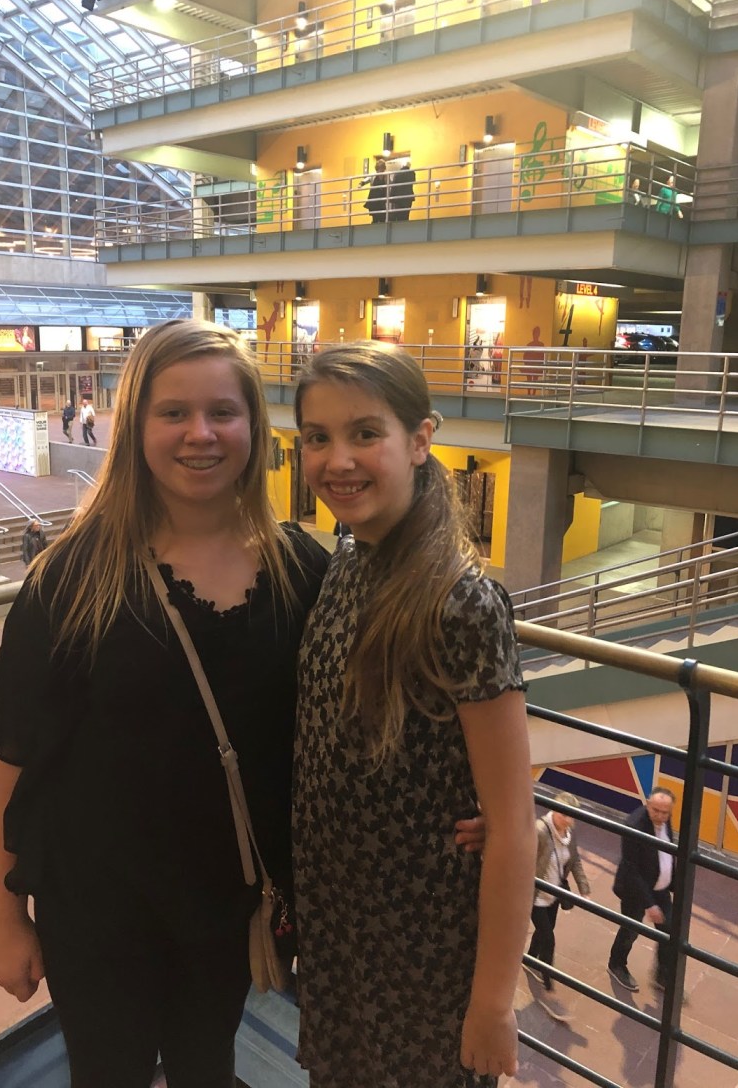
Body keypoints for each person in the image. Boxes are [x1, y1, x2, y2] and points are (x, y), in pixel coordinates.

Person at [0, 321, 332, 1088]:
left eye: (223, 411)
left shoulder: (302, 572)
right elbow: (18, 763)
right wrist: (4, 917)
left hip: (229, 907)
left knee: (207, 1065)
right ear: (136, 426)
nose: (201, 433)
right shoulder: (73, 578)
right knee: (107, 1073)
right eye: (174, 413)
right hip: (95, 913)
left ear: (253, 426)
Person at [292, 343, 537, 1088]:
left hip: (424, 958)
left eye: (366, 433)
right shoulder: (347, 560)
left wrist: (492, 1002)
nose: (339, 460)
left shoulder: (462, 603)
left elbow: (512, 824)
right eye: (317, 437)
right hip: (343, 939)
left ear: (420, 440)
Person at [608, 787, 676, 993]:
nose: (661, 816)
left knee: (669, 931)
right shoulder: (634, 826)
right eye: (656, 811)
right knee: (631, 930)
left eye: (665, 813)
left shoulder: (664, 819)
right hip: (635, 890)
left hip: (659, 887)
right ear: (648, 804)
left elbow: (667, 851)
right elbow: (631, 869)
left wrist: (673, 882)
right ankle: (616, 964)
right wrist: (650, 904)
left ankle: (662, 975)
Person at [525, 791, 591, 991]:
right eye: (564, 815)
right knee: (549, 939)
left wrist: (584, 889)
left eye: (571, 816)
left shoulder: (569, 834)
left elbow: (575, 860)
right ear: (554, 810)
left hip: (553, 895)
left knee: (546, 929)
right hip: (536, 895)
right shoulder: (540, 831)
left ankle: (530, 958)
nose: (568, 820)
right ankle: (547, 979)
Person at [362, 158, 390, 224]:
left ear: (383, 168)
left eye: (381, 169)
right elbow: (365, 180)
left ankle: (380, 227)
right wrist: (361, 184)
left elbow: (390, 185)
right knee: (375, 217)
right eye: (379, 169)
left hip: (382, 200)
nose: (380, 171)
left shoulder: (386, 176)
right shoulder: (373, 175)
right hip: (374, 199)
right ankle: (375, 227)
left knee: (382, 217)